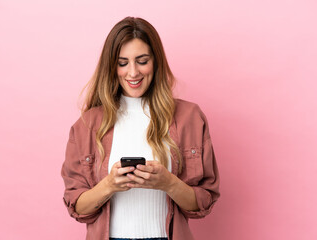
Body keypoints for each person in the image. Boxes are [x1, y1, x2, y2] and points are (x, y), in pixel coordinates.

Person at [61, 16, 220, 240]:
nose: (133, 72)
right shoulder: (86, 126)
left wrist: (168, 183)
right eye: (123, 63)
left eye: (142, 61)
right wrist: (109, 185)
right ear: (112, 67)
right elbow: (77, 207)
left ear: (156, 61)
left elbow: (204, 201)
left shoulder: (190, 118)